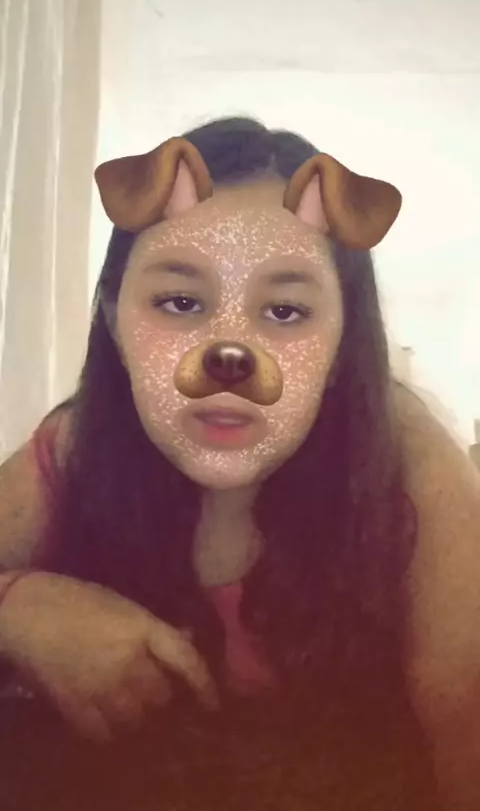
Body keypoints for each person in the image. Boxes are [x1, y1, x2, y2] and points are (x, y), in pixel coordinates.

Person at [0, 117, 479, 810]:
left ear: (342, 343)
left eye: (284, 311)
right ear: (113, 320)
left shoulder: (405, 462)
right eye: (180, 302)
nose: (229, 353)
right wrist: (25, 609)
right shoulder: (78, 448)